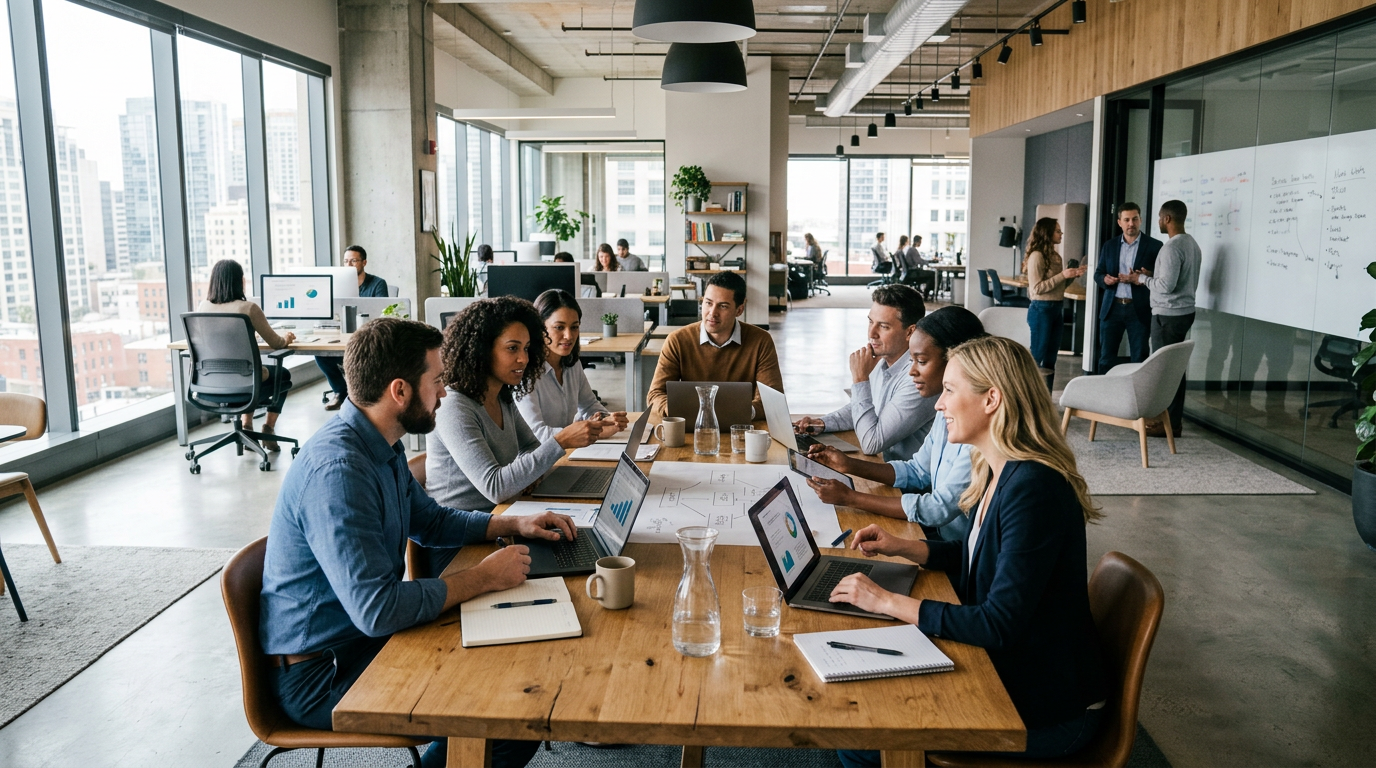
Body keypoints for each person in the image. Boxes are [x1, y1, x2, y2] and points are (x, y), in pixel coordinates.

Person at [260, 317, 571, 768]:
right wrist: (481, 578)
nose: (445, 392)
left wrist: (513, 525)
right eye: (438, 380)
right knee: (509, 715)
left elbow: (431, 522)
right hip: (325, 672)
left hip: (361, 641)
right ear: (400, 391)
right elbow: (378, 609)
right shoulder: (339, 471)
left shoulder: (380, 444)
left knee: (517, 675)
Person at [831, 336, 1107, 767]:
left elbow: (998, 624)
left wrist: (886, 600)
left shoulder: (1034, 489)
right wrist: (907, 548)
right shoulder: (999, 469)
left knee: (862, 734)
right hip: (1021, 668)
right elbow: (985, 557)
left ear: (992, 399)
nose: (939, 405)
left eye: (950, 390)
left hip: (1047, 709)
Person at [424, 297, 603, 573]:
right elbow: (495, 487)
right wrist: (559, 442)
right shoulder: (454, 405)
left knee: (580, 550)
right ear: (482, 351)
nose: (524, 358)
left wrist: (527, 474)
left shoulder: (502, 394)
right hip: (460, 546)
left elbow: (531, 447)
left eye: (527, 348)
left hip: (505, 520)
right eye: (512, 348)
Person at [802, 306, 985, 542]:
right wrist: (848, 464)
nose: (911, 372)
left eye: (921, 360)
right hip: (937, 535)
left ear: (956, 360)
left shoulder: (976, 431)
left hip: (954, 548)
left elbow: (937, 508)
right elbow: (918, 471)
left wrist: (852, 498)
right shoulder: (944, 409)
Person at [793, 285, 934, 460]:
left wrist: (860, 379)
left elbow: (871, 444)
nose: (871, 333)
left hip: (902, 480)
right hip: (883, 465)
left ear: (910, 332)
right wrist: (822, 423)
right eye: (870, 322)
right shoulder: (883, 359)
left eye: (883, 326)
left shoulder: (918, 377)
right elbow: (861, 407)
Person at [647, 271, 783, 418]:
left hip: (741, 429)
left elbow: (772, 401)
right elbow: (655, 394)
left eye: (723, 306)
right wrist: (676, 409)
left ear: (739, 310)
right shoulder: (677, 340)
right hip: (692, 427)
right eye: (708, 303)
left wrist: (737, 412)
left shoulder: (760, 341)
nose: (712, 313)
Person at [1122, 199, 1201, 438]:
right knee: (1175, 370)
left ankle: (1165, 423)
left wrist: (1141, 280)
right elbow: (1175, 279)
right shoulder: (1191, 244)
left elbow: (1165, 287)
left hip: (1167, 316)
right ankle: (1172, 422)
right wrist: (1153, 274)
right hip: (1183, 312)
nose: (1157, 221)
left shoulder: (1171, 248)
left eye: (1159, 217)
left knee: (1164, 372)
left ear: (1167, 219)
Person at [196, 259, 294, 451]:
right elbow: (276, 343)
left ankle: (247, 425)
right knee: (282, 374)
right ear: (240, 281)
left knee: (246, 374)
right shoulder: (248, 308)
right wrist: (287, 337)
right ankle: (268, 428)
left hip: (211, 382)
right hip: (245, 379)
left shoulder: (203, 307)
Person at [517, 289, 628, 442]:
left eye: (574, 327)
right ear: (540, 328)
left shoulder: (571, 363)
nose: (569, 336)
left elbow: (589, 405)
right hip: (537, 459)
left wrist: (607, 419)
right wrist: (588, 431)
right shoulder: (524, 372)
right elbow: (536, 433)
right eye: (559, 327)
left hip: (568, 452)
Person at [1094, 203, 1161, 374]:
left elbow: (1161, 277)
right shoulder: (1109, 245)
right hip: (1112, 308)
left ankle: (1135, 399)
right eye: (1127, 220)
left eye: (1135, 219)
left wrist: (1145, 276)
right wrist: (1105, 279)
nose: (1131, 223)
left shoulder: (1155, 246)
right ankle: (1104, 398)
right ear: (1119, 222)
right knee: (1106, 358)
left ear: (1141, 220)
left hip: (1138, 309)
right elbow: (1098, 273)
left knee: (1140, 358)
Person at [320, 245, 390, 410]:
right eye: (346, 261)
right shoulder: (336, 285)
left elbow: (382, 313)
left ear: (364, 262)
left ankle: (362, 395)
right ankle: (340, 392)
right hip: (343, 335)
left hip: (368, 338)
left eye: (353, 260)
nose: (349, 265)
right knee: (321, 355)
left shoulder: (378, 283)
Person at [1023, 217, 1086, 390]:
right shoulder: (1036, 256)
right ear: (1047, 232)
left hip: (1056, 308)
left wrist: (1071, 276)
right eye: (1058, 231)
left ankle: (1046, 400)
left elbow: (1058, 287)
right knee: (1037, 357)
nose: (1061, 234)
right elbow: (1037, 288)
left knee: (1051, 359)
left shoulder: (1055, 256)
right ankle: (1029, 399)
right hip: (1041, 309)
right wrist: (1063, 275)